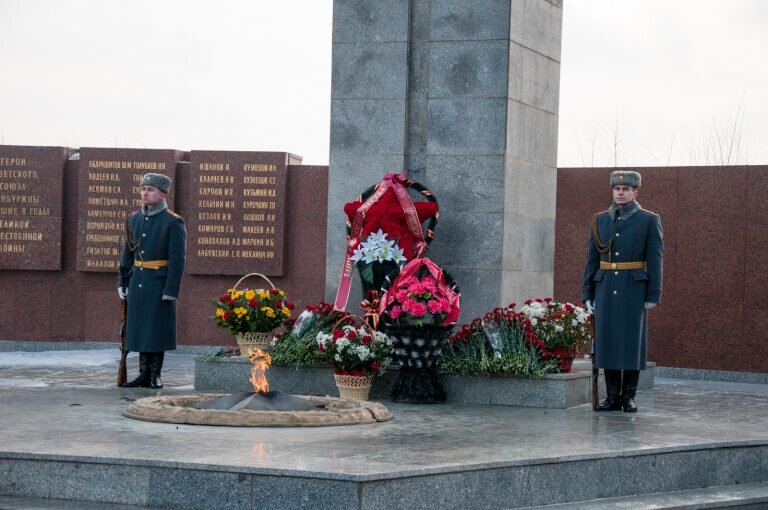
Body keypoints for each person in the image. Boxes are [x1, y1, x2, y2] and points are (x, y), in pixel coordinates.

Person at [582, 170, 663, 412]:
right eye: (617, 189)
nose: (620, 192)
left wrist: (652, 294)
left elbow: (655, 259)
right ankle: (612, 397)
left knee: (630, 344)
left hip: (633, 289)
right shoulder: (600, 220)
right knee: (607, 343)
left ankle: (628, 396)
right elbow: (591, 259)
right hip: (605, 288)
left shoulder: (648, 219)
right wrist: (588, 293)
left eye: (626, 189)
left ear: (635, 192)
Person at [117, 173, 186, 389]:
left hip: (158, 283)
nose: (145, 193)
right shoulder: (134, 219)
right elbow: (128, 253)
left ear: (163, 194)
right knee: (139, 329)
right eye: (143, 189)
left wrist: (171, 288)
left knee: (155, 329)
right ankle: (143, 374)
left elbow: (177, 259)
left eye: (151, 189)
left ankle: (155, 374)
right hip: (137, 280)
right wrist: (122, 281)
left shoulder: (173, 221)